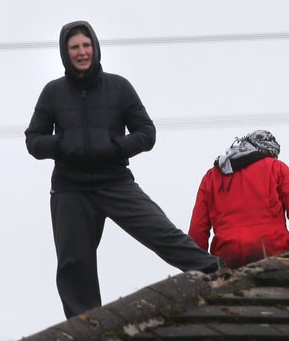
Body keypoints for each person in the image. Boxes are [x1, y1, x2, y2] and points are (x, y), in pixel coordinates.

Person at [25, 21, 223, 319]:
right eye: (74, 47)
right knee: (73, 264)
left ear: (95, 47)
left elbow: (147, 132)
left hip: (115, 181)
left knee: (162, 232)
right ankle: (84, 328)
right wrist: (65, 144)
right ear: (65, 53)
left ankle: (217, 272)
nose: (82, 52)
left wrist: (116, 147)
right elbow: (34, 141)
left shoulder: (118, 87)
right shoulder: (53, 93)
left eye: (86, 45)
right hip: (70, 188)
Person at [188, 129, 289, 268]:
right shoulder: (277, 168)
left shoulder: (211, 177)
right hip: (274, 252)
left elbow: (197, 229)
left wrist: (198, 269)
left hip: (228, 257)